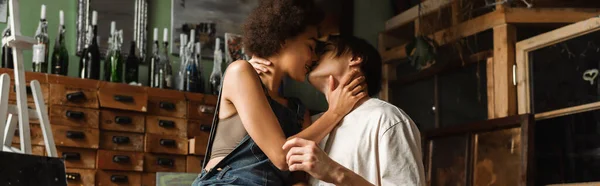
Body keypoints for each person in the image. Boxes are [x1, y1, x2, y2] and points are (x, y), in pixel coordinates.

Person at [191, 1, 367, 185]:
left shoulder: (299, 112)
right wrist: (335, 112)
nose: (314, 58)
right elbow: (282, 156)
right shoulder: (240, 72)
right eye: (310, 47)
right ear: (282, 40)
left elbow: (298, 179)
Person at [249, 35, 426, 186]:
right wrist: (249, 75)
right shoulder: (310, 125)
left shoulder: (386, 119)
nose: (312, 56)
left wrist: (335, 173)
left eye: (324, 50)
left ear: (355, 58)